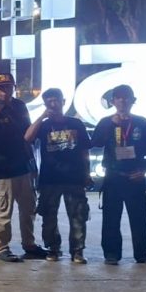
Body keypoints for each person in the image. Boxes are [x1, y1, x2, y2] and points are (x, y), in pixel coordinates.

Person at [0, 72, 48, 262]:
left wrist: (32, 165)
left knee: (28, 208)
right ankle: (2, 247)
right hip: (1, 170)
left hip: (23, 167)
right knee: (3, 210)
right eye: (1, 87)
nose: (5, 90)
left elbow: (28, 135)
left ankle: (29, 245)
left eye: (8, 87)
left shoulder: (20, 107)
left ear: (13, 88)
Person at [89, 85, 146, 265]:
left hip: (135, 177)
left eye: (126, 97)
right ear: (112, 102)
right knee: (111, 217)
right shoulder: (105, 122)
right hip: (113, 177)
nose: (122, 101)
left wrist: (144, 169)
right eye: (118, 98)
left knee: (138, 217)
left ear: (133, 100)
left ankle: (142, 254)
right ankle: (111, 254)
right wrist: (111, 124)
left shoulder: (141, 122)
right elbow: (95, 143)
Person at [25, 88, 91, 263]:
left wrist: (87, 173)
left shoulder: (76, 124)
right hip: (50, 178)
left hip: (74, 177)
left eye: (56, 100)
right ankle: (53, 248)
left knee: (78, 215)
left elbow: (85, 151)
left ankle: (77, 251)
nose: (53, 104)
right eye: (49, 101)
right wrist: (41, 117)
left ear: (63, 101)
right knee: (48, 216)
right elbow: (27, 137)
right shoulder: (44, 125)